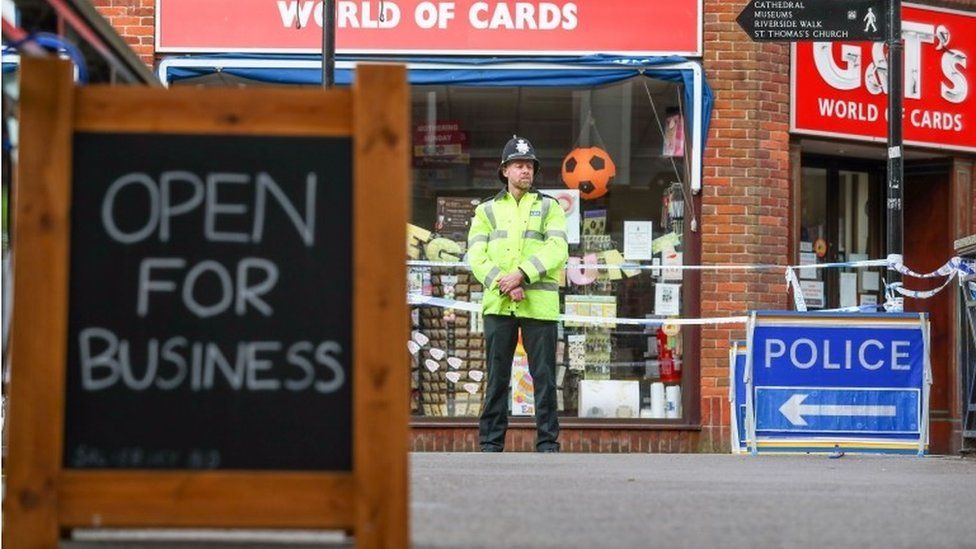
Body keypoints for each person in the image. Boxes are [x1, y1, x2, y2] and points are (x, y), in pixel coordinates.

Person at [467, 135, 569, 452]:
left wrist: (521, 275)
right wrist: (505, 282)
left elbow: (558, 249)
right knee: (497, 377)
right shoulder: (486, 211)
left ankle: (548, 443)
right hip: (500, 305)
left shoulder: (550, 207)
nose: (526, 171)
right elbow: (476, 256)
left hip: (539, 306)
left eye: (529, 166)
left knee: (544, 378)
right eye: (519, 165)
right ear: (505, 171)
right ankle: (490, 442)